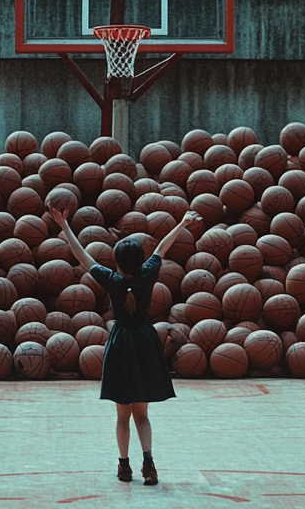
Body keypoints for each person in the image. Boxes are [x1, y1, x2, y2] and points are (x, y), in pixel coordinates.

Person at [51, 206, 199, 486]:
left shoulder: (112, 280)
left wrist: (65, 226)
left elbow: (82, 256)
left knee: (123, 416)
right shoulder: (148, 274)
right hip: (144, 341)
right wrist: (182, 222)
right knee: (142, 414)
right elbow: (163, 247)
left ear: (116, 263)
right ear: (140, 261)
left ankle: (124, 467)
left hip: (121, 343)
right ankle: (149, 463)